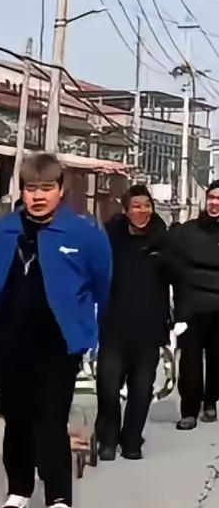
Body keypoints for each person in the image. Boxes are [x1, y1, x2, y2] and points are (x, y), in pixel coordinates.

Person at [0, 152, 111, 508]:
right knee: (16, 416)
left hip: (58, 343)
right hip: (9, 340)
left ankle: (58, 498)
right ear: (22, 191)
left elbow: (102, 284)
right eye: (31, 188)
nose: (38, 196)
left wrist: (89, 329)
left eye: (47, 188)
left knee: (51, 418)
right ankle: (19, 487)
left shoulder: (83, 236)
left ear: (61, 190)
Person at [94, 185, 170, 460]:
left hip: (149, 329)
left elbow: (181, 276)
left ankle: (131, 439)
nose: (142, 211)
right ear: (126, 210)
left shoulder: (163, 241)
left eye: (147, 205)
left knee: (141, 389)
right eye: (136, 206)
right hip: (114, 327)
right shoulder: (109, 239)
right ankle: (107, 437)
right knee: (107, 387)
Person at [166, 180, 219, 430]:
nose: (215, 203)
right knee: (190, 362)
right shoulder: (186, 232)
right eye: (212, 198)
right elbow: (169, 263)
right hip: (190, 306)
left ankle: (210, 401)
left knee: (217, 360)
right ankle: (189, 410)